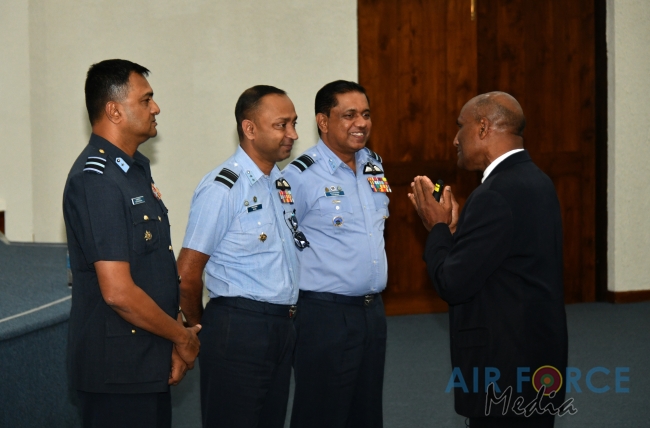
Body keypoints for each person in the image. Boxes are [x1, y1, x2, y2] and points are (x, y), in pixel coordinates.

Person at [408, 92, 568, 427]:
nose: (456, 139)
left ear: (483, 128)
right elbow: (498, 263)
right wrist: (455, 233)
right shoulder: (537, 180)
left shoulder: (493, 194)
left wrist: (437, 228)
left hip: (503, 373)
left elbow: (453, 284)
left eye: (460, 126)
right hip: (536, 361)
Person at [63, 59, 201, 428]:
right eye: (146, 99)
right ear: (114, 111)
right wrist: (182, 338)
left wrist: (171, 339)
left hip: (147, 357)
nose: (156, 108)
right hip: (117, 371)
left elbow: (152, 268)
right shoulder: (97, 180)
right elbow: (118, 292)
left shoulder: (133, 169)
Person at [177, 85, 306, 428]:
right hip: (239, 328)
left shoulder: (278, 182)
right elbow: (186, 275)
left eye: (294, 123)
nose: (293, 134)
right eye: (281, 125)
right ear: (250, 129)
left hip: (281, 326)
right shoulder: (223, 188)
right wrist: (201, 328)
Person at [282, 80, 389, 428]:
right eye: (349, 115)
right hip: (324, 315)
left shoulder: (373, 164)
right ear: (323, 121)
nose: (361, 123)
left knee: (366, 412)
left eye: (366, 114)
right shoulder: (299, 176)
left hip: (372, 312)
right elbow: (283, 240)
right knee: (320, 413)